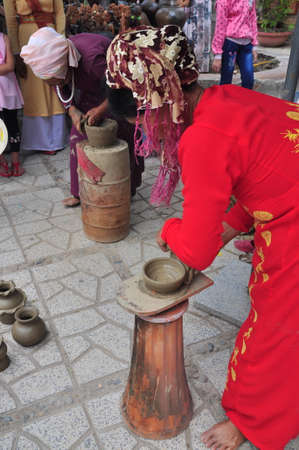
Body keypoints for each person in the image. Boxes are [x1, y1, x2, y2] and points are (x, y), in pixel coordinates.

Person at [105, 25, 299, 450]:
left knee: (278, 324)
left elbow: (195, 251)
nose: (147, 130)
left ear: (155, 104)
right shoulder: (225, 98)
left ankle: (252, 422)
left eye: (141, 118)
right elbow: (264, 173)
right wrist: (229, 226)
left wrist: (170, 230)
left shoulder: (202, 139)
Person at [21, 27, 143, 206]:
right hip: (90, 91)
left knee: (123, 138)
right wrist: (72, 110)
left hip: (117, 90)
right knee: (77, 138)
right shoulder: (59, 66)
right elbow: (59, 86)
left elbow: (123, 87)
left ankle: (126, 189)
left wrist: (101, 109)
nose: (52, 84)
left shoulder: (93, 62)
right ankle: (79, 192)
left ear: (65, 66)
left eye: (55, 79)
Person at [4, 0, 67, 155]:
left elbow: (59, 13)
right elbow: (11, 20)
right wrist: (16, 52)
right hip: (26, 38)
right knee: (33, 90)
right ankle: (41, 141)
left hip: (51, 36)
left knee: (53, 85)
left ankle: (57, 139)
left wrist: (61, 39)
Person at [211, 0, 258, 89]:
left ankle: (246, 102)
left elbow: (253, 19)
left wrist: (254, 45)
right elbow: (220, 27)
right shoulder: (223, 1)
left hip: (246, 44)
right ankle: (223, 101)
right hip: (230, 44)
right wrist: (218, 55)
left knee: (249, 79)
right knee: (226, 78)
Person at [0, 29, 24, 177]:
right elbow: (7, 66)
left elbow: (10, 66)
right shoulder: (4, 38)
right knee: (7, 126)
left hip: (7, 89)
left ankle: (12, 164)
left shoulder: (4, 38)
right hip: (8, 86)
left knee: (11, 125)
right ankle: (6, 163)